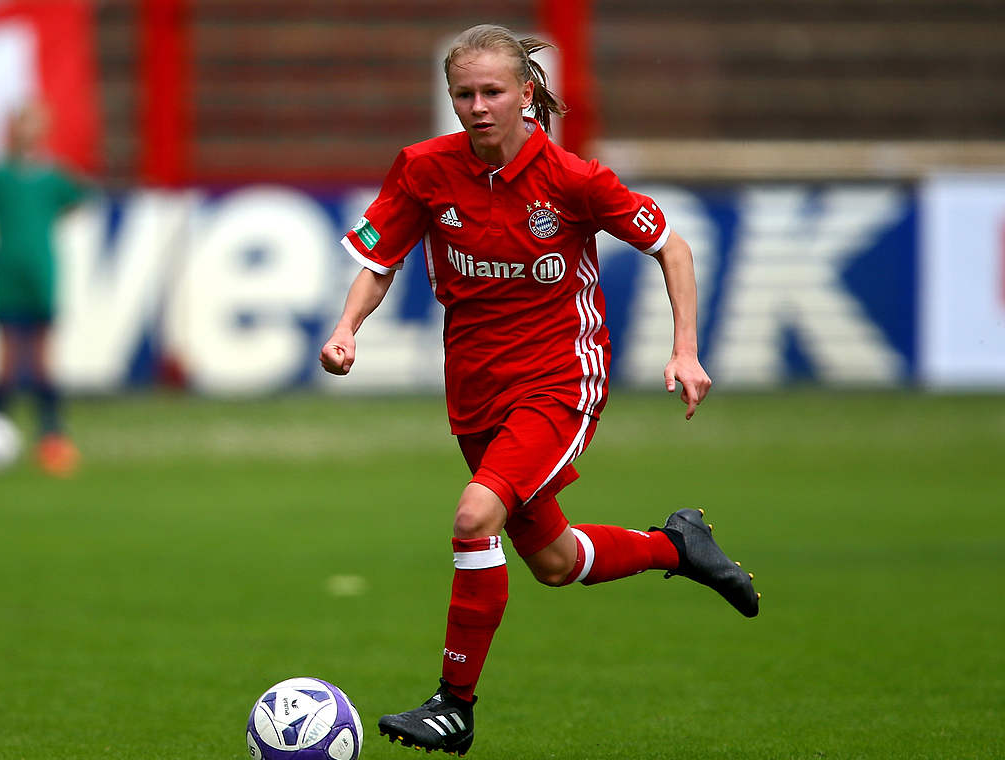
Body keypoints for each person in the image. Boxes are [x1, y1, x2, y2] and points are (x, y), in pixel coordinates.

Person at [320, 24, 760, 756]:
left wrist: (685, 350)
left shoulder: (573, 181)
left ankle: (454, 706)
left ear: (527, 94)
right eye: (464, 93)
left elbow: (671, 246)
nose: (478, 106)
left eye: (493, 91)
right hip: (474, 389)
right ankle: (677, 548)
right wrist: (346, 328)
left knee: (474, 517)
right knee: (555, 562)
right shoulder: (425, 169)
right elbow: (380, 258)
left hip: (560, 379)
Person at [0, 103, 86, 477]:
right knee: (5, 360)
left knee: (41, 359)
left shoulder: (52, 177)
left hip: (42, 272)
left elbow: (79, 197)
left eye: (33, 126)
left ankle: (51, 438)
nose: (26, 133)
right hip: (8, 272)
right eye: (20, 126)